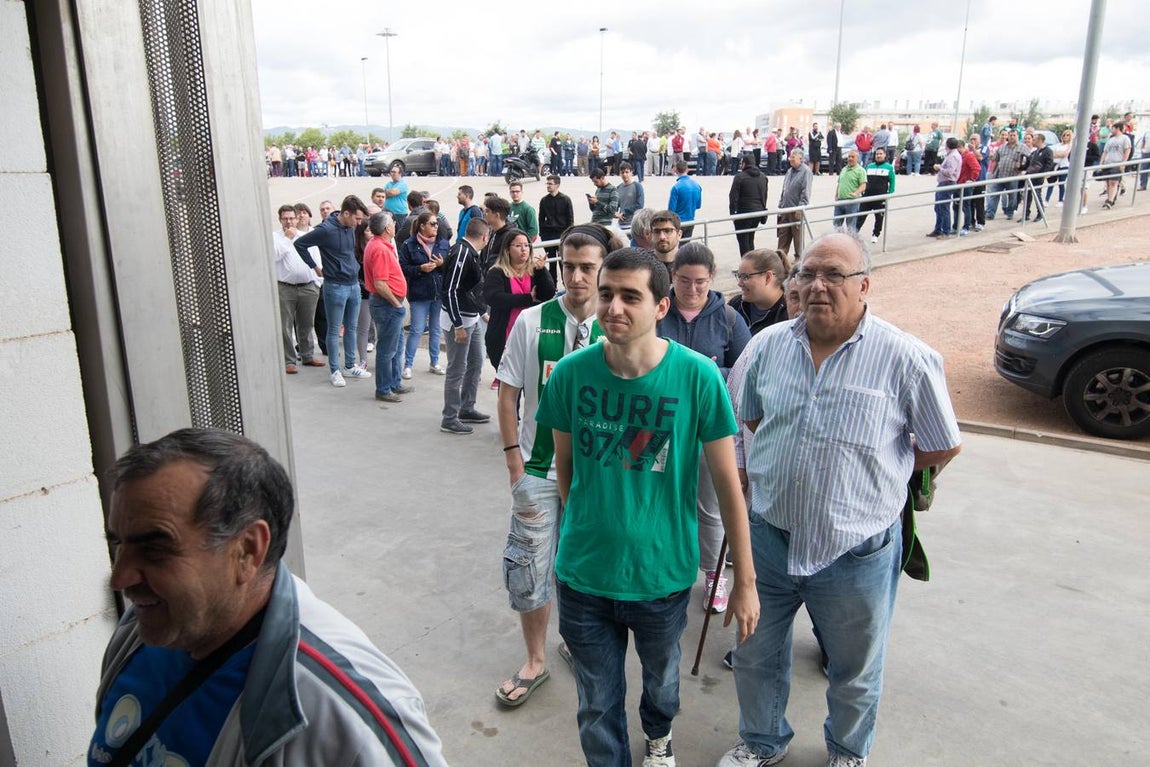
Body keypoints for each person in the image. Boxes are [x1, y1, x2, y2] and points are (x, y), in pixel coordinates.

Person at [719, 231, 962, 767]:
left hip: (856, 551)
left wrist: (881, 474)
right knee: (755, 654)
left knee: (855, 669)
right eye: (807, 273)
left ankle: (848, 751)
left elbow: (942, 443)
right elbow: (750, 418)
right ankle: (762, 741)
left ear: (866, 285)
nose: (817, 285)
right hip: (769, 539)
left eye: (834, 275)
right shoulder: (766, 346)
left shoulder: (906, 357)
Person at [92, 428, 447, 765]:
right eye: (118, 544)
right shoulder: (143, 628)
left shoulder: (348, 716)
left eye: (154, 549)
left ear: (247, 551)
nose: (120, 578)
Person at [535, 248, 759, 767]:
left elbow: (728, 484)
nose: (613, 306)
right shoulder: (570, 375)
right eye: (606, 293)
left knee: (661, 684)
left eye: (630, 296)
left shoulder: (699, 376)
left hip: (663, 576)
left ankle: (659, 736)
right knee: (596, 703)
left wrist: (743, 581)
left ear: (661, 306)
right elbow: (565, 469)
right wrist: (590, 526)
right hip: (584, 576)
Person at [493, 224, 623, 707]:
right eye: (568, 266)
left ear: (603, 268)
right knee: (529, 567)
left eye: (588, 267)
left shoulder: (619, 326)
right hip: (539, 471)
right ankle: (535, 659)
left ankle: (575, 640)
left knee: (582, 567)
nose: (576, 276)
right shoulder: (532, 322)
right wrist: (515, 463)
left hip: (596, 476)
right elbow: (509, 396)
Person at [657, 242, 751, 615]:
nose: (692, 289)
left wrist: (703, 374)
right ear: (671, 278)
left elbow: (744, 371)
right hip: (660, 424)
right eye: (684, 281)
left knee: (711, 506)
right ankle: (662, 563)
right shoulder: (658, 311)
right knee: (659, 497)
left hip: (710, 429)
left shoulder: (728, 318)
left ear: (711, 279)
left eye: (700, 282)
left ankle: (714, 574)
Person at [293, 195, 372, 387]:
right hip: (335, 285)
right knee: (334, 329)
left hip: (353, 284)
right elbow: (299, 244)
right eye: (357, 219)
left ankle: (350, 365)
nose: (359, 223)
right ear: (346, 213)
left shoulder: (350, 227)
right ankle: (335, 370)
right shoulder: (326, 230)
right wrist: (315, 266)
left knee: (351, 327)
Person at [440, 217, 492, 433]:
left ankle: (466, 407)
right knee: (456, 369)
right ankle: (449, 417)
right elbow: (450, 290)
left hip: (471, 318)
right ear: (485, 237)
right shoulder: (462, 253)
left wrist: (481, 312)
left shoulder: (467, 252)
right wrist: (458, 325)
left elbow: (469, 289)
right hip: (460, 320)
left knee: (476, 362)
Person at [484, 229, 556, 373]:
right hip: (505, 335)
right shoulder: (497, 272)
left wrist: (542, 272)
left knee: (531, 382)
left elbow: (548, 294)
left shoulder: (535, 270)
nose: (524, 249)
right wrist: (528, 298)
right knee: (508, 384)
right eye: (518, 246)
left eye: (526, 245)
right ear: (507, 250)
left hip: (533, 334)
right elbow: (494, 298)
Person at [364, 211, 413, 403]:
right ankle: (384, 388)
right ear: (387, 229)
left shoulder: (380, 245)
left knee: (396, 346)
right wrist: (396, 304)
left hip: (390, 304)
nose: (395, 223)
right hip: (388, 305)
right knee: (387, 349)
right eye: (392, 222)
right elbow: (380, 284)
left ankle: (393, 383)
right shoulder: (380, 249)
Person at [273, 205, 323, 374]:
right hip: (285, 288)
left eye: (291, 218)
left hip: (308, 287)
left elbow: (317, 261)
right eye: (285, 218)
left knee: (307, 323)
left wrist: (317, 283)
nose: (288, 221)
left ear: (297, 219)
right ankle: (289, 360)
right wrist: (287, 238)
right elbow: (275, 256)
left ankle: (307, 355)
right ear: (280, 220)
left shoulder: (306, 237)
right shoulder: (275, 237)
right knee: (285, 325)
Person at [398, 212, 448, 380]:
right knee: (417, 329)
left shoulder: (443, 243)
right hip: (419, 293)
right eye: (432, 224)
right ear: (422, 226)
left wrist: (443, 265)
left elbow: (450, 267)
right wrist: (420, 269)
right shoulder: (409, 244)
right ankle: (408, 365)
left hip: (438, 293)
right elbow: (403, 267)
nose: (436, 226)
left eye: (436, 224)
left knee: (435, 329)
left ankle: (434, 363)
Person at [728, 248, 791, 335]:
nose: (739, 283)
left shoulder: (789, 315)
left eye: (745, 277)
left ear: (768, 277)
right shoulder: (736, 305)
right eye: (739, 276)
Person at [729, 155, 769, 255]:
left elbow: (733, 197)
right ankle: (752, 264)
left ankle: (746, 266)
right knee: (750, 238)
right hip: (758, 212)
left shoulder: (740, 177)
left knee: (743, 241)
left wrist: (733, 214)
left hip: (744, 213)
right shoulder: (763, 177)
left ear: (744, 164)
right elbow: (765, 195)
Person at [539, 175, 575, 283]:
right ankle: (552, 284)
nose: (548, 186)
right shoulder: (544, 200)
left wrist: (568, 235)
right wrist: (542, 234)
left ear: (557, 185)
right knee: (551, 263)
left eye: (550, 184)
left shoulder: (565, 199)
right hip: (548, 235)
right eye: (547, 183)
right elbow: (541, 218)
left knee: (562, 261)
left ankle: (566, 283)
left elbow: (570, 219)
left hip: (561, 234)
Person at [855, 147, 895, 244]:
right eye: (877, 154)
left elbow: (892, 181)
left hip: (880, 197)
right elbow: (863, 180)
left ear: (885, 155)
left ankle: (875, 234)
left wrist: (889, 194)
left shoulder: (889, 167)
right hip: (867, 197)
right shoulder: (869, 166)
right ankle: (854, 234)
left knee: (879, 218)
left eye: (880, 154)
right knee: (860, 216)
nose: (878, 156)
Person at [777, 149, 811, 259]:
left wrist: (800, 208)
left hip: (796, 211)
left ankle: (799, 262)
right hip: (785, 210)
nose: (790, 159)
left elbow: (805, 192)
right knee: (783, 238)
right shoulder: (789, 171)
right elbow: (784, 190)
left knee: (798, 240)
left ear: (800, 159)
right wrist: (781, 205)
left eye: (793, 157)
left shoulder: (806, 172)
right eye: (790, 157)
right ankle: (780, 261)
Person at [927, 137, 962, 238]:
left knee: (944, 208)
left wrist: (939, 168)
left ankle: (946, 231)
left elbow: (950, 172)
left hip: (948, 183)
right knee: (938, 207)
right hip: (943, 183)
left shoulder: (953, 156)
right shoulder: (951, 155)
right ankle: (938, 229)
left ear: (947, 145)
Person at [1099, 120, 1131, 210]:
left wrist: (1123, 163)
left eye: (1113, 128)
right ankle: (1111, 198)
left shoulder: (1125, 138)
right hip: (1108, 163)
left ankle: (1110, 200)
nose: (1111, 130)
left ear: (1117, 128)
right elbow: (1105, 152)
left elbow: (1127, 150)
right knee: (1108, 182)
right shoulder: (1110, 140)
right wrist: (1101, 163)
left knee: (1114, 182)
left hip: (1117, 163)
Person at [833, 150, 867, 232]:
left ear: (857, 158)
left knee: (851, 226)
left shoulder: (860, 170)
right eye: (849, 156)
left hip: (852, 201)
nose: (850, 158)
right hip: (840, 201)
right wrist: (836, 195)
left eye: (853, 157)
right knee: (837, 224)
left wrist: (856, 193)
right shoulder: (844, 169)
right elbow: (839, 183)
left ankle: (850, 242)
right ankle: (839, 241)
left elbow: (863, 185)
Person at [668, 161, 702, 240]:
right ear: (687, 170)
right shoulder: (697, 186)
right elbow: (698, 205)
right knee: (686, 245)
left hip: (678, 222)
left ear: (676, 170)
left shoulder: (676, 188)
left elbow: (671, 210)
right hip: (690, 220)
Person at [650, 209, 683, 276]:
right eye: (657, 232)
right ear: (651, 235)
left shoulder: (689, 263)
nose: (662, 237)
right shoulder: (643, 266)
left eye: (668, 231)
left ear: (679, 234)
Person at [616, 162, 645, 230]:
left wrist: (625, 211)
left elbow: (640, 205)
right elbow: (616, 205)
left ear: (631, 172)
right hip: (621, 224)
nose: (624, 174)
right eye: (622, 172)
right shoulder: (618, 188)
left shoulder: (637, 186)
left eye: (627, 172)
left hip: (633, 224)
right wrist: (614, 212)